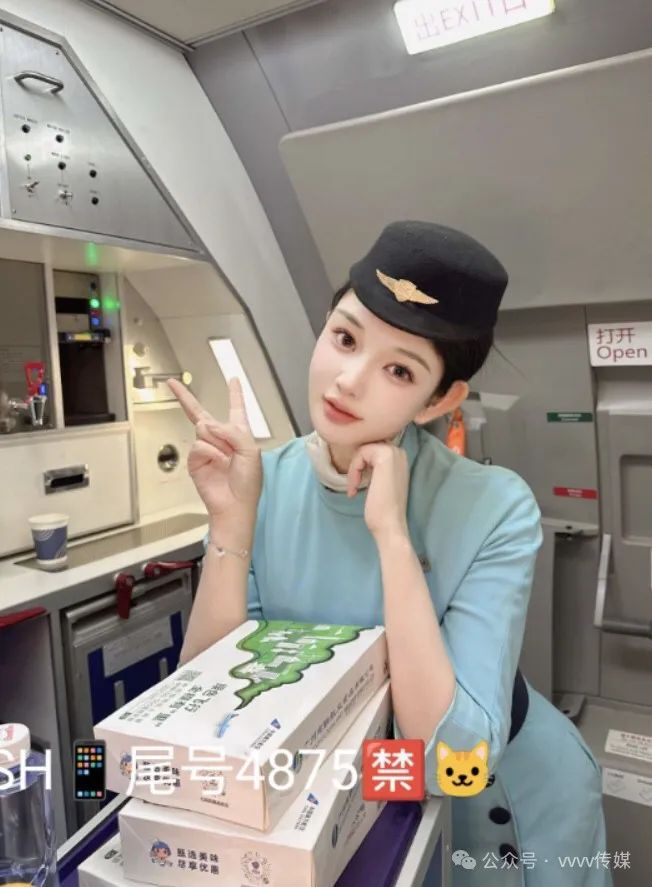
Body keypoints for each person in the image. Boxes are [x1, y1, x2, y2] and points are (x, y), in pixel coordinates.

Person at [169, 221, 610, 886]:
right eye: (345, 338)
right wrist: (231, 523)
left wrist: (392, 536)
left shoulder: (495, 506)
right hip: (335, 803)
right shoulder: (261, 481)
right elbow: (212, 707)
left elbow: (453, 765)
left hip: (505, 811)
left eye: (399, 369)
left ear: (440, 400)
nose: (348, 381)